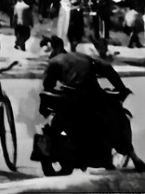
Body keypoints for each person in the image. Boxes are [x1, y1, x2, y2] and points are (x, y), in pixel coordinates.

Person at [41, 35, 145, 171]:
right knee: (117, 117)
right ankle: (135, 158)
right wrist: (121, 88)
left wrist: (45, 106)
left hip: (68, 99)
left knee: (54, 123)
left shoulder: (53, 62)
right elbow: (107, 68)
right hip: (91, 96)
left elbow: (47, 87)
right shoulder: (83, 58)